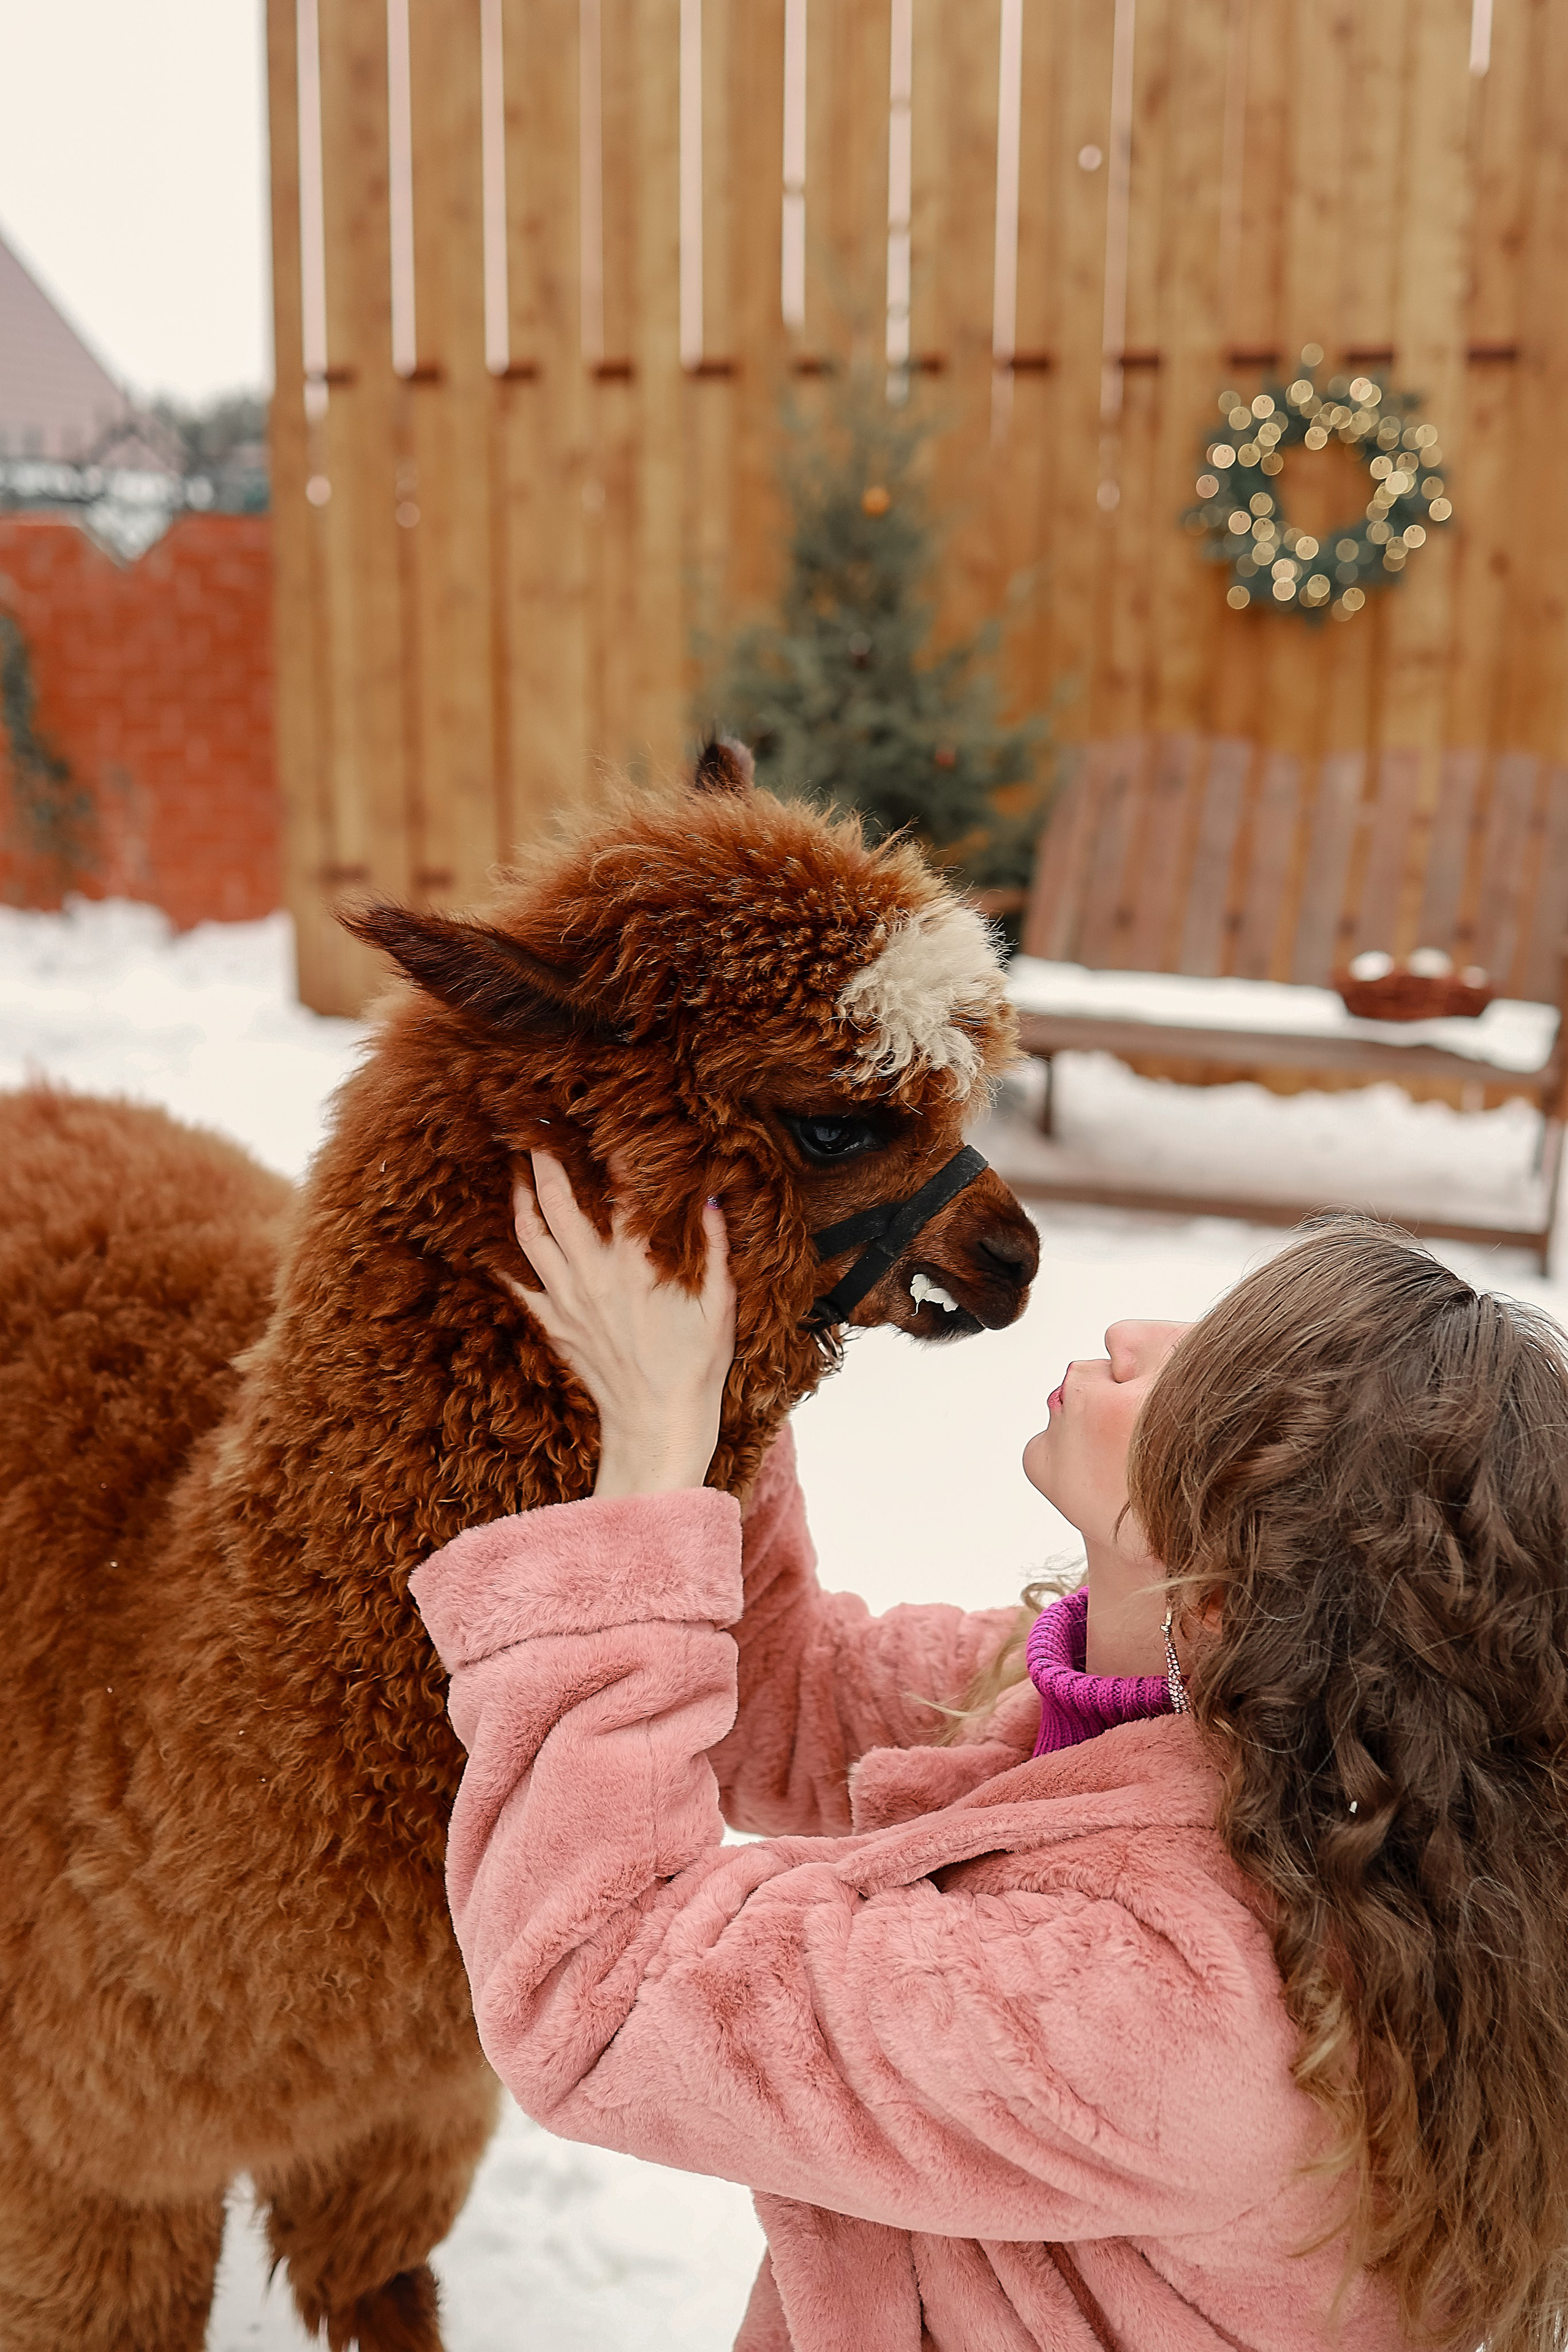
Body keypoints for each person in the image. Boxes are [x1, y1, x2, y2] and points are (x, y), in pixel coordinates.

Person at [412, 1164, 1568, 2352]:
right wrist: (721, 1380)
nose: (1129, 1334)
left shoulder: (1192, 2009)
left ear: (1232, 1581)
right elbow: (785, 1697)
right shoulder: (1111, 1706)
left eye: (1199, 1376)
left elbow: (601, 2000)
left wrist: (652, 1455)